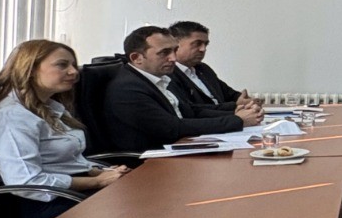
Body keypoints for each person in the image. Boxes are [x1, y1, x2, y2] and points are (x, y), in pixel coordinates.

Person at [0, 40, 131, 218]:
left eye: (73, 65)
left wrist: (98, 171)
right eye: (62, 65)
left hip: (70, 193)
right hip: (45, 206)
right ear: (30, 69)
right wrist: (97, 181)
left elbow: (63, 160)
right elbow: (27, 183)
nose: (74, 72)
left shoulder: (48, 106)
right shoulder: (12, 118)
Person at [102, 26, 262, 153]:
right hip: (150, 162)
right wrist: (237, 121)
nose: (173, 58)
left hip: (176, 147)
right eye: (164, 53)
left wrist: (235, 112)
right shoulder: (128, 88)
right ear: (137, 58)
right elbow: (172, 128)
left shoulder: (157, 78)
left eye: (174, 50)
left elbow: (190, 110)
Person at [166, 21, 256, 112]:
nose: (203, 49)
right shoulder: (168, 74)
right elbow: (192, 110)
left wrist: (245, 100)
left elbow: (229, 94)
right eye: (197, 43)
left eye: (206, 44)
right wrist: (234, 106)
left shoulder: (203, 69)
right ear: (175, 44)